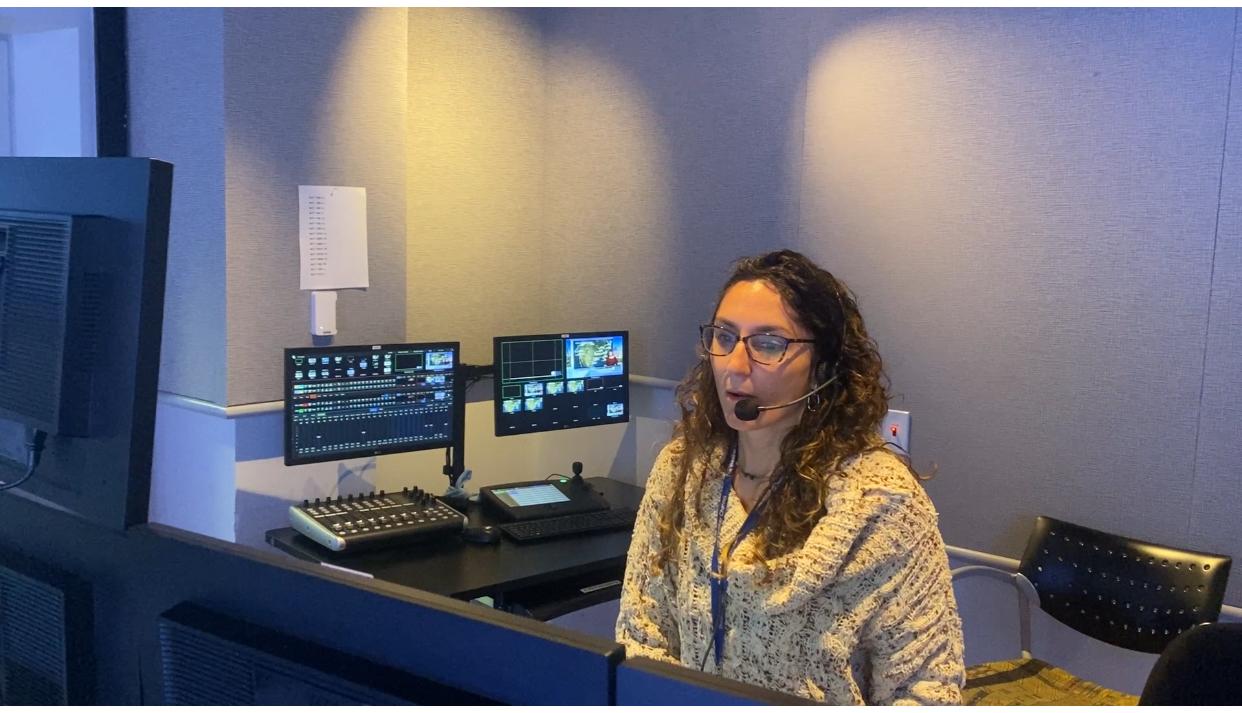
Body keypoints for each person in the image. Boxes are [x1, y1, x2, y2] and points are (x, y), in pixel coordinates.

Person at [615, 250, 965, 704]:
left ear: (822, 366)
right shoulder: (683, 471)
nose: (735, 366)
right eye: (725, 336)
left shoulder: (884, 504)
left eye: (768, 344)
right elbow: (642, 638)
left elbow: (926, 691)